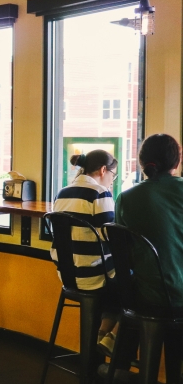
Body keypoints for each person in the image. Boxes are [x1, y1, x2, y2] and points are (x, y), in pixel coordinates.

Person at [51, 149, 119, 352]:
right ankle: (109, 337)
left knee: (119, 280)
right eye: (113, 175)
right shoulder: (100, 193)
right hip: (92, 278)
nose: (112, 181)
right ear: (103, 170)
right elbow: (111, 237)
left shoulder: (62, 193)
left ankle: (103, 334)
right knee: (130, 281)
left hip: (67, 276)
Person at [115, 133, 183, 312]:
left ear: (142, 162)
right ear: (177, 163)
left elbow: (122, 252)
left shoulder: (126, 198)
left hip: (148, 297)